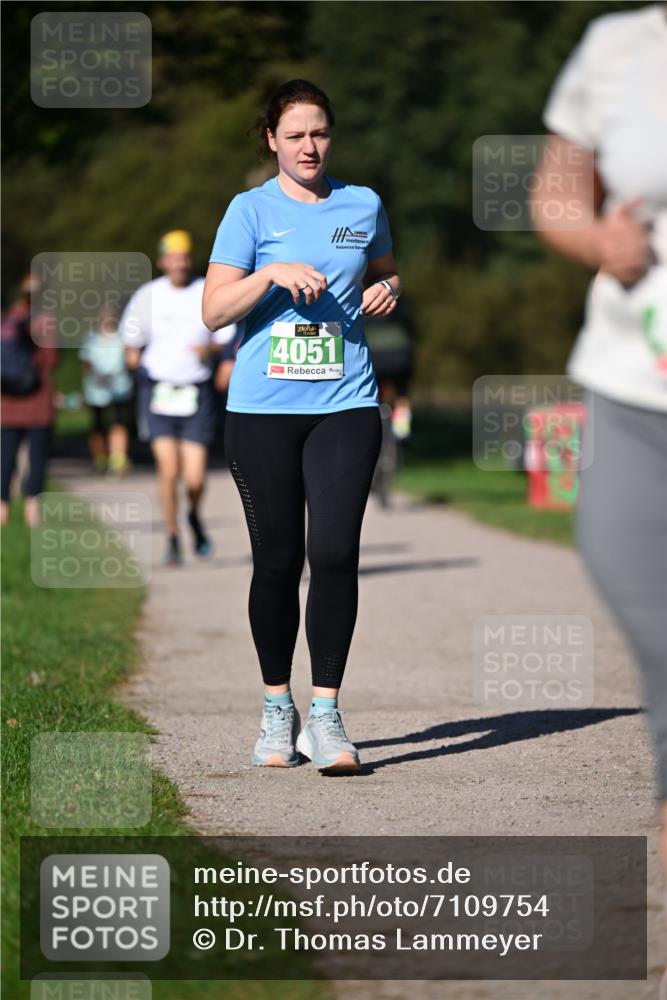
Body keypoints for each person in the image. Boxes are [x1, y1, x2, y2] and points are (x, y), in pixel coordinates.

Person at [203, 79, 401, 771]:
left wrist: (388, 288)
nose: (308, 146)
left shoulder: (363, 204)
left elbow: (384, 269)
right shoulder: (248, 211)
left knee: (337, 554)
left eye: (318, 133)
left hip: (345, 403)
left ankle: (326, 715)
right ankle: (274, 709)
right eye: (294, 135)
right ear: (271, 141)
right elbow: (214, 311)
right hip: (262, 411)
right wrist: (270, 276)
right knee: (278, 562)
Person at [531, 4, 667, 876]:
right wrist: (594, 239)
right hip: (633, 378)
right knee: (635, 583)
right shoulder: (620, 46)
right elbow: (553, 193)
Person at [120, 230, 236, 565]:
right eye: (173, 257)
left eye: (184, 257)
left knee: (196, 477)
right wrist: (131, 356)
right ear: (162, 261)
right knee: (169, 471)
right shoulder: (148, 295)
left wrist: (210, 348)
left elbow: (226, 335)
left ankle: (194, 516)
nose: (179, 263)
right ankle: (172, 535)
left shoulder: (205, 291)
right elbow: (131, 338)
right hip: (158, 389)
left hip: (195, 390)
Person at [1, 272, 58, 527]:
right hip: (38, 401)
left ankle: (2, 512)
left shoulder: (8, 319)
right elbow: (52, 359)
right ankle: (31, 512)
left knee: (5, 458)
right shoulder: (46, 320)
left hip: (7, 402)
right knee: (37, 458)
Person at [79, 303, 133, 476]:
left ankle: (118, 459)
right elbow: (85, 363)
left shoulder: (123, 337)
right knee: (98, 425)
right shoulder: (91, 338)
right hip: (97, 390)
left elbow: (129, 360)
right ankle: (100, 458)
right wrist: (95, 374)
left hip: (119, 388)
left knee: (118, 423)